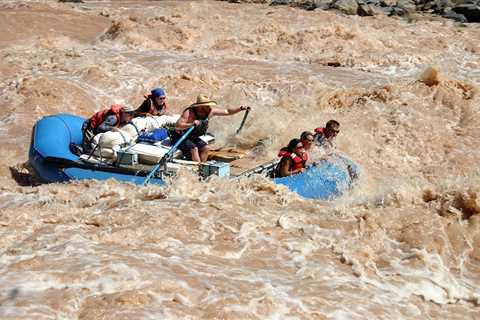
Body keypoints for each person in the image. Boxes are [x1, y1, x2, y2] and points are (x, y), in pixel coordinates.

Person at [172, 94, 250, 162]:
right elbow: (178, 125)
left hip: (192, 137)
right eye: (206, 106)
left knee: (206, 148)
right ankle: (198, 169)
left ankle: (202, 166)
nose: (209, 107)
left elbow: (227, 111)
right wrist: (191, 124)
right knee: (194, 149)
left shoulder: (210, 111)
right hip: (180, 136)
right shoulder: (189, 113)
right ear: (200, 107)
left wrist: (240, 108)